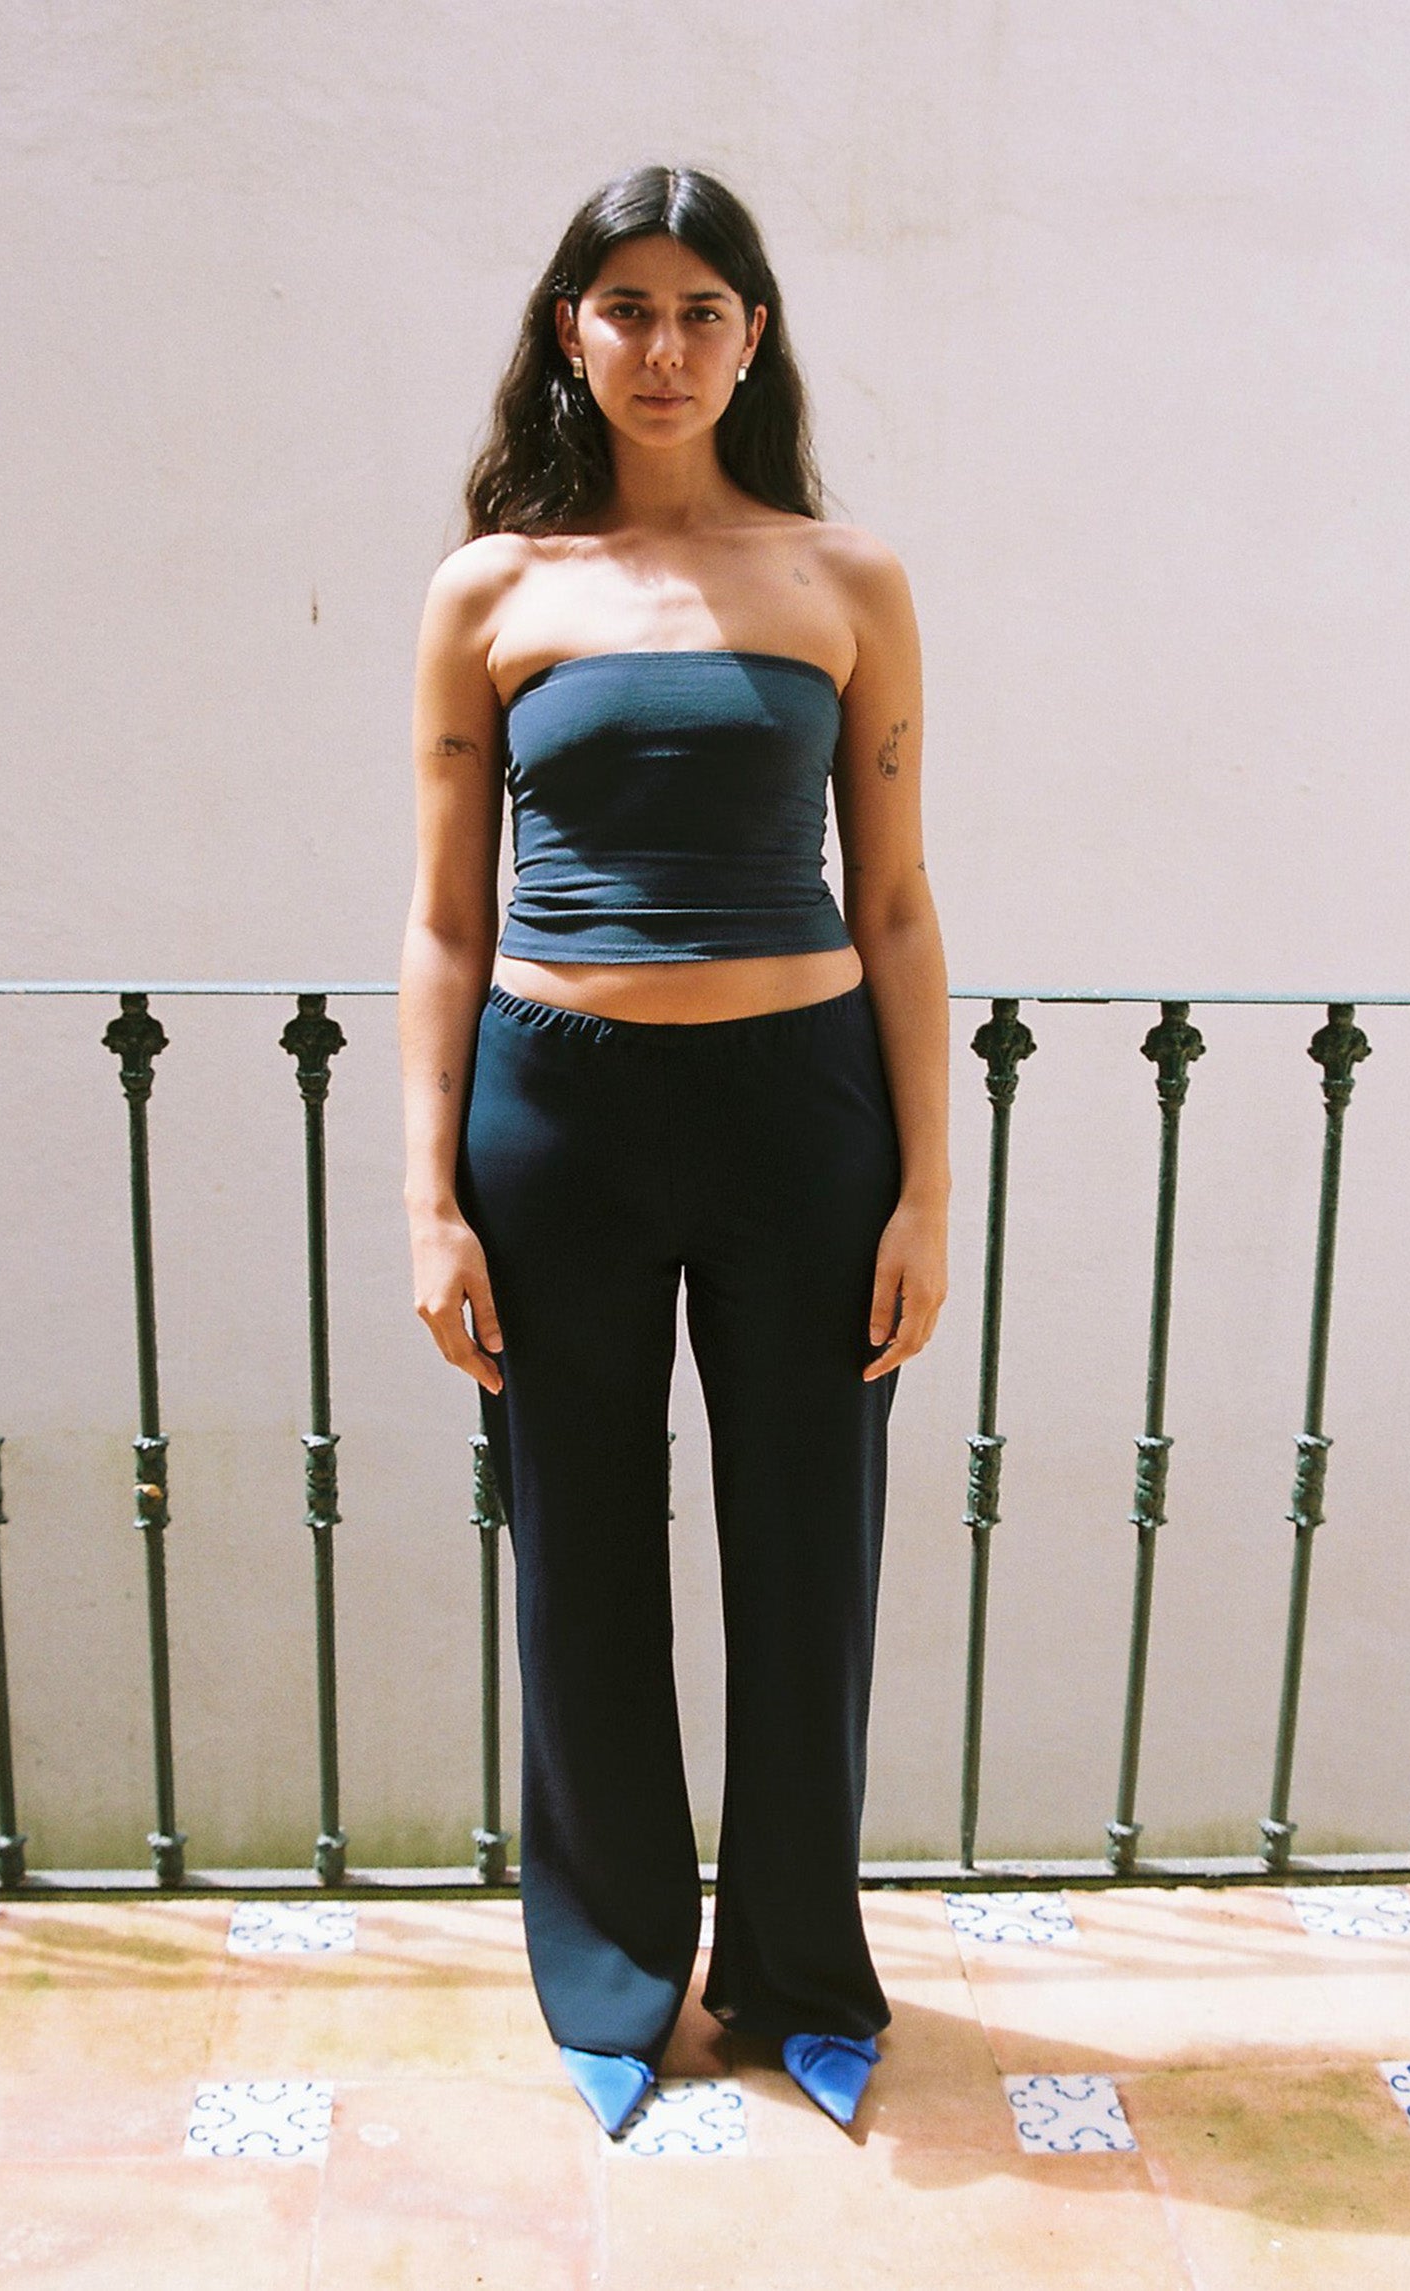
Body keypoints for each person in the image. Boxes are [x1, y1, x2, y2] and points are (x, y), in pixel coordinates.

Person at [398, 163, 950, 2137]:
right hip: (555, 1117)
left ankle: (799, 1972)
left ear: (752, 337)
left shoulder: (846, 579)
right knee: (581, 1556)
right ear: (572, 331)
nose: (664, 344)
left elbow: (897, 903)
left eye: (702, 308)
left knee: (811, 1550)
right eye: (626, 306)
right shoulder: (493, 590)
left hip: (804, 1114)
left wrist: (928, 1188)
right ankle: (616, 1976)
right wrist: (428, 1198)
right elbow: (444, 918)